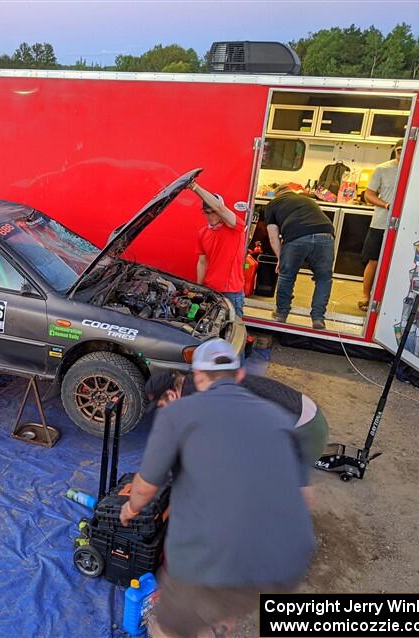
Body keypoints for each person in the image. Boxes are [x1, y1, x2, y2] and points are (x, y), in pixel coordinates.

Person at [121, 339, 315, 638]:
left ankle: (209, 620)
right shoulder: (276, 419)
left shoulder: (178, 413)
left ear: (198, 377)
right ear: (239, 375)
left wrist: (130, 508)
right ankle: (221, 621)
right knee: (221, 608)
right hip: (285, 564)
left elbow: (145, 488)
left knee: (165, 628)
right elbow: (305, 497)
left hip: (211, 563)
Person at [146, 370, 329, 468]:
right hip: (308, 415)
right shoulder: (199, 380)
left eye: (163, 407)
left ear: (171, 394)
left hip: (305, 430)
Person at [265, 185, 335, 330]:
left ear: (276, 194)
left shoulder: (272, 204)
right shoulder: (306, 199)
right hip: (325, 234)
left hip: (296, 236)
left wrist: (280, 258)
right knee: (323, 278)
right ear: (291, 192)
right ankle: (318, 319)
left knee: (287, 276)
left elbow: (273, 237)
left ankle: (281, 314)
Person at [189, 181, 247, 317]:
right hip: (210, 289)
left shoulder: (235, 227)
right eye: (206, 212)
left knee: (232, 330)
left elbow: (220, 208)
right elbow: (202, 262)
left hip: (231, 292)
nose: (210, 216)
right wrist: (199, 287)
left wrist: (194, 187)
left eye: (213, 212)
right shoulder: (203, 233)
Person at [360, 140, 403, 311]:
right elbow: (368, 195)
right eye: (399, 150)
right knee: (374, 260)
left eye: (404, 150)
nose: (401, 153)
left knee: (397, 262)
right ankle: (365, 295)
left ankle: (389, 299)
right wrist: (386, 205)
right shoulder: (382, 169)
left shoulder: (416, 169)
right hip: (381, 223)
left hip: (404, 226)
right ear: (394, 150)